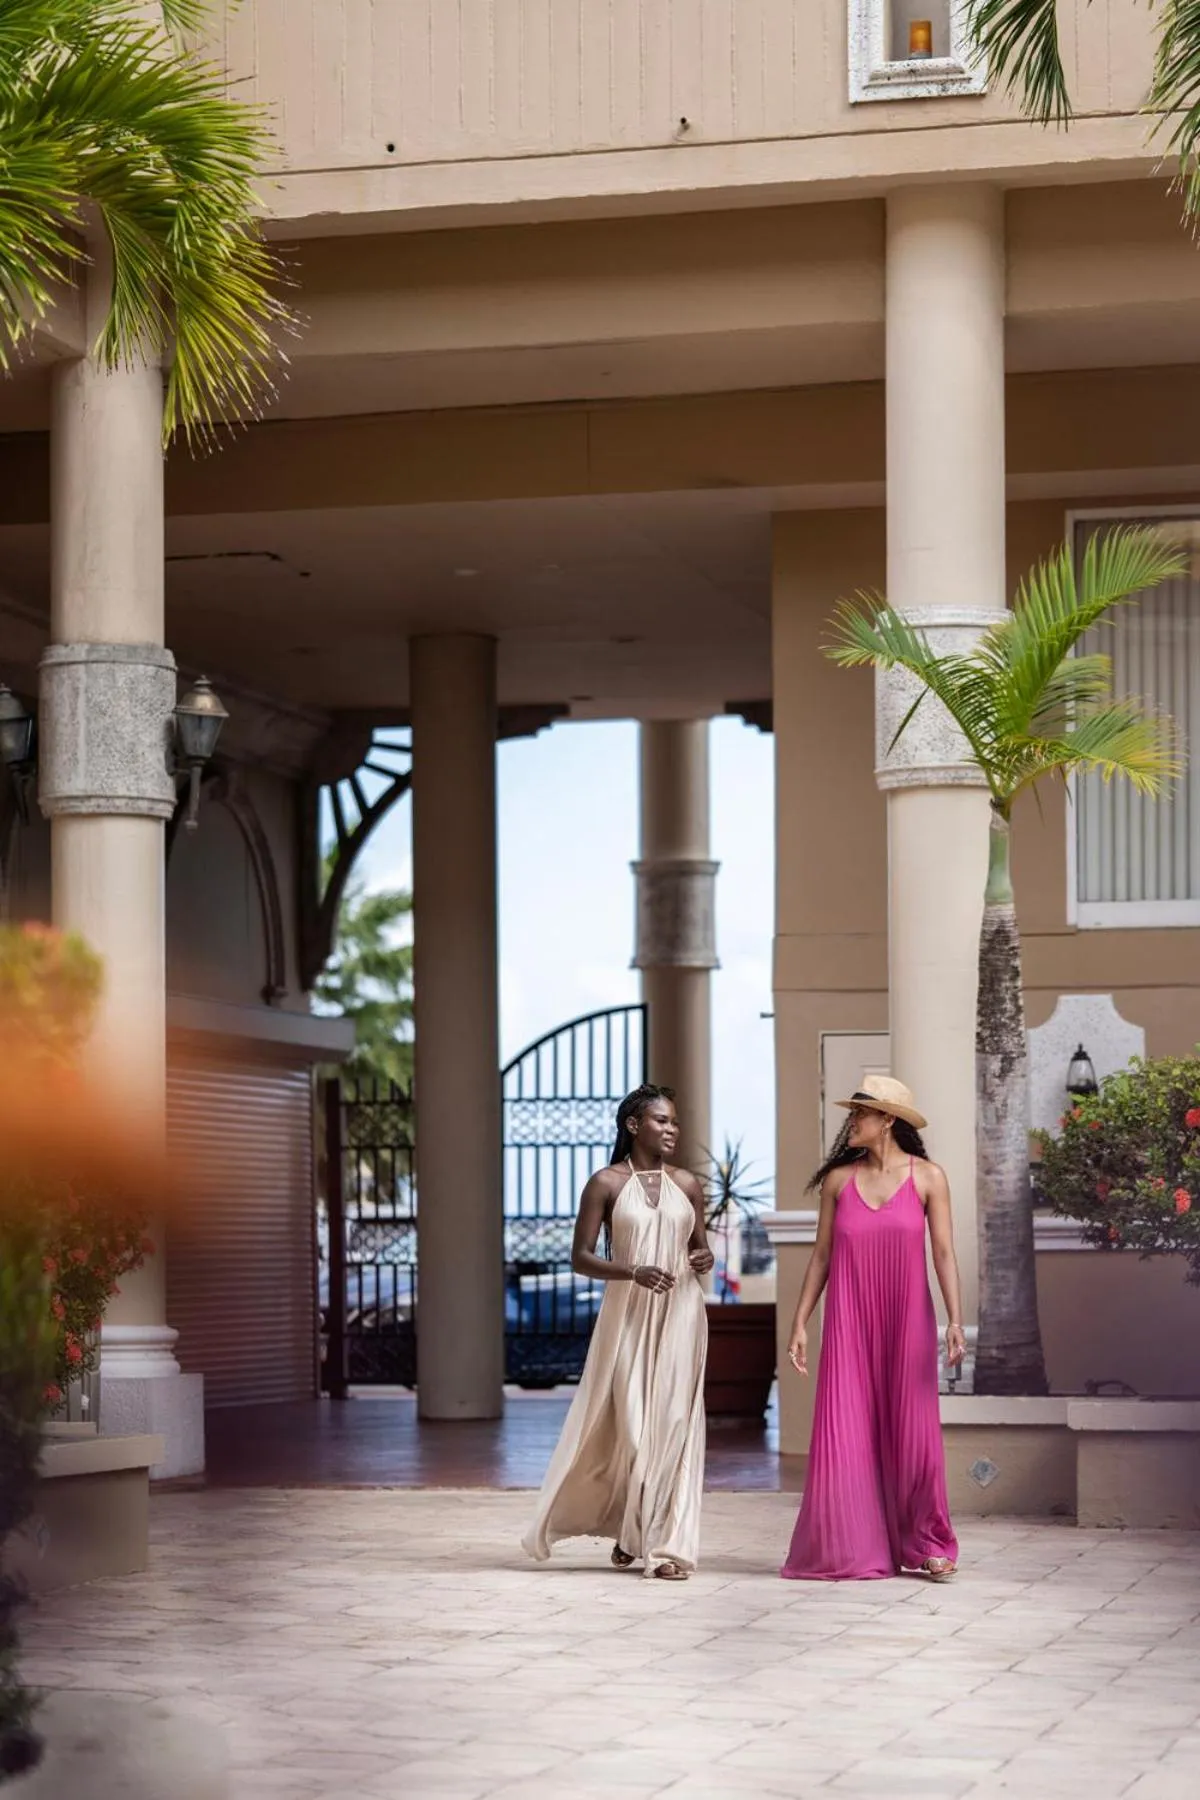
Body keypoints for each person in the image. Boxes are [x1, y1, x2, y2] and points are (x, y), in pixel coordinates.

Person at [522, 1083, 713, 1581]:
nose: (672, 1129)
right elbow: (580, 1258)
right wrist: (632, 1271)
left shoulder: (687, 1184)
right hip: (626, 1315)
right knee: (631, 1427)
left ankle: (665, 1548)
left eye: (674, 1122)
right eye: (661, 1120)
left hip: (681, 1313)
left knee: (674, 1424)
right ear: (633, 1125)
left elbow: (700, 1247)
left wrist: (703, 1257)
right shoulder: (605, 1183)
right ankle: (630, 1530)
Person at [781, 1075, 964, 1583]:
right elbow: (821, 1256)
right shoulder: (838, 1181)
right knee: (847, 1433)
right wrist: (800, 1323)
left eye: (859, 1114)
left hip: (907, 1321)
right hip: (849, 1323)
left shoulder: (928, 1178)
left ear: (887, 1120)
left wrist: (955, 1320)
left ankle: (929, 1543)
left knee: (915, 1436)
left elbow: (943, 1253)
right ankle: (852, 1544)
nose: (852, 1122)